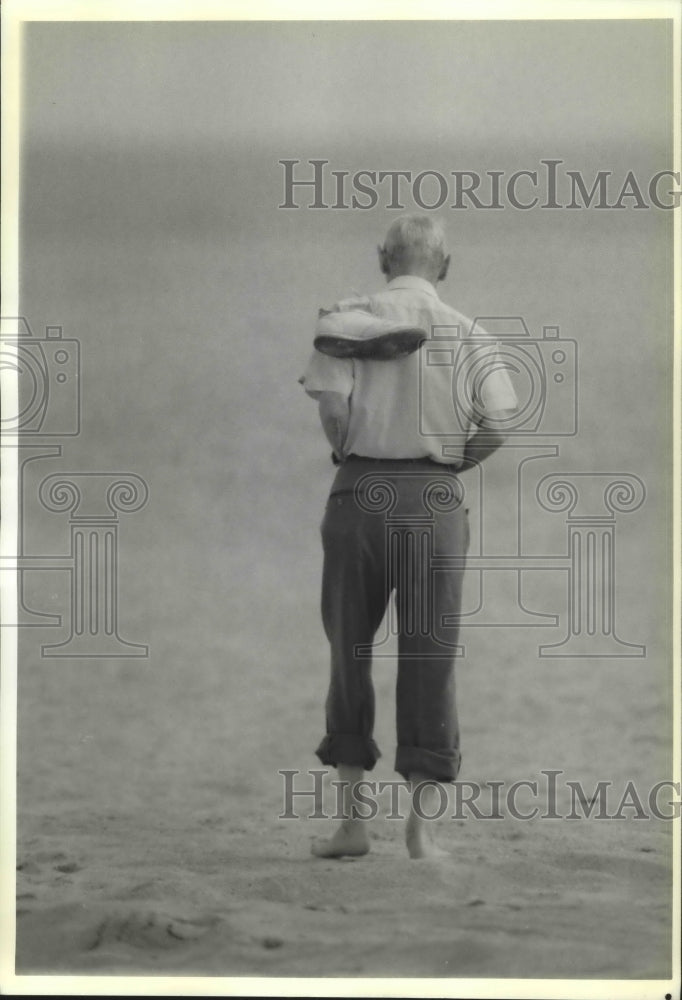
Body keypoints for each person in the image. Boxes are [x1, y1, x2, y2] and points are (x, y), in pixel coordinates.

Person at [299, 214, 518, 859]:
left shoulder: (343, 322)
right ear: (444, 266)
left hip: (361, 490)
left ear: (381, 259)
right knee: (431, 658)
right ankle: (422, 832)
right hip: (435, 495)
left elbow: (333, 409)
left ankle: (351, 824)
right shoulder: (471, 333)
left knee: (349, 653)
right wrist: (450, 467)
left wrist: (352, 456)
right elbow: (500, 425)